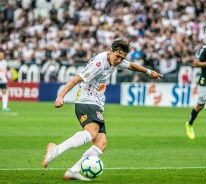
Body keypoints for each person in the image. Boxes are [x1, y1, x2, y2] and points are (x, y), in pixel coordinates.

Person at [42, 38, 163, 180]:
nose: (119, 60)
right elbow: (76, 79)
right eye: (117, 56)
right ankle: (56, 150)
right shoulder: (99, 63)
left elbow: (131, 65)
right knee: (92, 134)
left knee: (101, 144)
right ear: (110, 50)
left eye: (121, 57)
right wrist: (61, 96)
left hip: (96, 103)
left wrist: (149, 72)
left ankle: (73, 171)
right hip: (86, 101)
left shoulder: (115, 60)